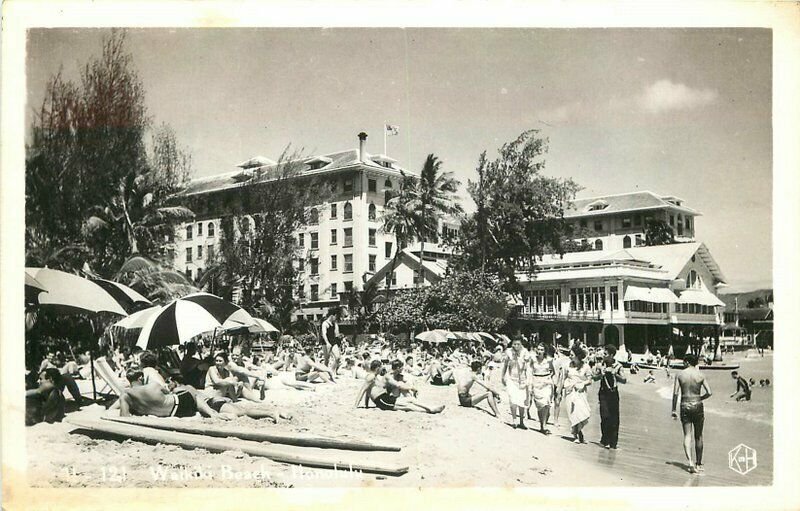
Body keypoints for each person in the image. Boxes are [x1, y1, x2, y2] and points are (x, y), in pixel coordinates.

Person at [671, 354, 712, 474]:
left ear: (687, 362)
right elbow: (709, 392)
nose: (683, 364)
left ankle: (690, 462)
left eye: (684, 362)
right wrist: (700, 398)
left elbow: (675, 394)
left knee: (687, 435)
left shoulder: (679, 375)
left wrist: (673, 410)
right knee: (699, 435)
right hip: (697, 405)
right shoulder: (701, 375)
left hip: (684, 405)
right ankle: (698, 464)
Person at [593, 345, 626, 449]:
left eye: (605, 354)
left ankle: (613, 443)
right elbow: (594, 378)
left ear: (611, 355)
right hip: (603, 393)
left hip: (613, 394)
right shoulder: (600, 365)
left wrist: (615, 374)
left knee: (614, 418)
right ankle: (604, 439)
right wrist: (601, 375)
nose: (603, 355)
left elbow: (624, 380)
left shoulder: (618, 366)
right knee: (605, 416)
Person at [563, 345, 592, 443]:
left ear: (578, 356)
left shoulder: (586, 367)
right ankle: (576, 434)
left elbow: (590, 380)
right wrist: (559, 390)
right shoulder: (568, 365)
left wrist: (582, 383)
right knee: (572, 413)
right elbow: (563, 378)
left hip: (580, 392)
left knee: (581, 411)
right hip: (570, 391)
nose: (570, 356)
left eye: (572, 355)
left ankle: (579, 431)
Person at [527, 343, 555, 434]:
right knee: (540, 406)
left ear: (545, 351)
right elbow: (530, 372)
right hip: (536, 382)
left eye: (542, 350)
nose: (539, 351)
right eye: (538, 349)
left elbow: (553, 372)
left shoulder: (549, 360)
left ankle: (544, 425)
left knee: (546, 403)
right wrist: (530, 384)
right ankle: (542, 425)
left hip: (546, 383)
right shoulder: (533, 360)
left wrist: (548, 379)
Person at [501, 338, 529, 429]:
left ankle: (521, 421)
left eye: (518, 344)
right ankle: (514, 420)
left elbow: (527, 366)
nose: (516, 346)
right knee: (513, 400)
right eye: (514, 344)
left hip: (522, 380)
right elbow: (505, 365)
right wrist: (502, 377)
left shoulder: (525, 352)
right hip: (511, 379)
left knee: (521, 401)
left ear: (521, 345)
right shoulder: (508, 352)